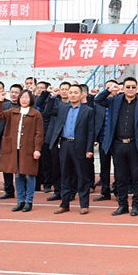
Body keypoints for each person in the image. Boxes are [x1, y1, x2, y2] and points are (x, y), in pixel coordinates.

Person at [94, 77, 138, 217]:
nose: (130, 89)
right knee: (120, 177)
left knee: (137, 177)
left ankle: (136, 205)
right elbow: (98, 100)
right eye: (128, 87)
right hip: (118, 145)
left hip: (135, 145)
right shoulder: (115, 100)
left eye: (133, 87)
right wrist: (108, 90)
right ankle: (122, 205)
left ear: (136, 88)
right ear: (123, 88)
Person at [46, 84, 96, 215]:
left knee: (82, 176)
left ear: (81, 95)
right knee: (65, 176)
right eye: (71, 92)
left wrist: (89, 148)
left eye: (75, 92)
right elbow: (47, 111)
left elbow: (91, 131)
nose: (73, 95)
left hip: (80, 146)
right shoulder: (62, 107)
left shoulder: (88, 111)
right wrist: (52, 96)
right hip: (64, 145)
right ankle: (64, 204)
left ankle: (84, 205)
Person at [0, 89, 43, 212]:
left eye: (26, 97)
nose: (24, 99)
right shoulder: (12, 112)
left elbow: (39, 133)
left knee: (29, 175)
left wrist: (37, 149)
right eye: (22, 97)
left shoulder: (35, 114)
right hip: (14, 148)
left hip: (29, 149)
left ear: (30, 99)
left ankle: (29, 201)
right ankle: (20, 200)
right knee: (18, 175)